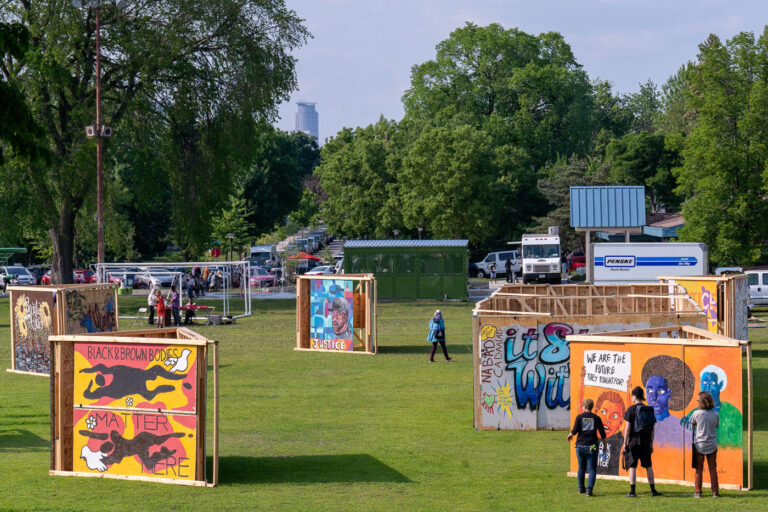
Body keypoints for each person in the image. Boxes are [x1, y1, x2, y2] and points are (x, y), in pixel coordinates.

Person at [622, 386, 662, 497]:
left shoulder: (631, 409)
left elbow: (627, 428)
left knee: (633, 467)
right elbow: (652, 430)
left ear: (634, 396)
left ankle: (632, 492)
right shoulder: (649, 410)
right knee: (648, 466)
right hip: (645, 443)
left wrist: (625, 443)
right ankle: (653, 490)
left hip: (634, 443)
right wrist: (651, 444)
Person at [567, 398, 606, 496]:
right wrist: (604, 445)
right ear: (591, 407)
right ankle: (589, 490)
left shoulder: (579, 417)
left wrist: (570, 435)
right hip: (592, 446)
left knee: (581, 468)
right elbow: (603, 434)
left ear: (584, 407)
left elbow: (575, 430)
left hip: (580, 446)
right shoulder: (596, 418)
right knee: (592, 469)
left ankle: (581, 488)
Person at [690, 391, 720, 498]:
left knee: (699, 469)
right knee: (713, 469)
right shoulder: (715, 414)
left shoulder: (696, 413)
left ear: (701, 402)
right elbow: (716, 426)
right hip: (712, 444)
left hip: (700, 445)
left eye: (698, 400)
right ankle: (715, 492)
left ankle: (698, 492)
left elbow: (692, 426)